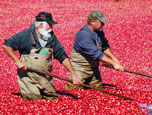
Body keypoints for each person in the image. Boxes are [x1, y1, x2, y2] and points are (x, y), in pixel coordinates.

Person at [3, 12, 81, 101]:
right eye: (50, 25)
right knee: (34, 98)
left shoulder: (51, 38)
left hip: (45, 78)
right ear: (41, 25)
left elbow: (62, 55)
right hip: (29, 77)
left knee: (52, 98)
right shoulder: (25, 35)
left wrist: (73, 74)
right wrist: (18, 61)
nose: (51, 28)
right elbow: (7, 45)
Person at [66, 10, 124, 90]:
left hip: (93, 69)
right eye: (101, 22)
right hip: (80, 69)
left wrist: (114, 58)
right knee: (75, 90)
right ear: (93, 22)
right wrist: (113, 64)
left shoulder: (99, 31)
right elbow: (97, 54)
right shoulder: (84, 36)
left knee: (97, 89)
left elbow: (104, 47)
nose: (103, 24)